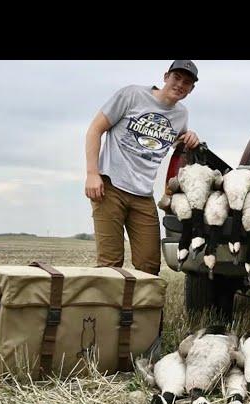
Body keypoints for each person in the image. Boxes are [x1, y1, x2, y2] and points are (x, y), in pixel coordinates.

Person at [85, 60, 201, 275]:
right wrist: (92, 173)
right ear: (166, 76)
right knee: (110, 265)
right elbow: (95, 129)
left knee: (149, 266)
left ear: (191, 89)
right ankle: (108, 309)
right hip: (110, 187)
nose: (180, 85)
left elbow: (176, 141)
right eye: (176, 78)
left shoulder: (181, 115)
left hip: (143, 194)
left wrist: (190, 136)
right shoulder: (132, 95)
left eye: (186, 82)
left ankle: (143, 309)